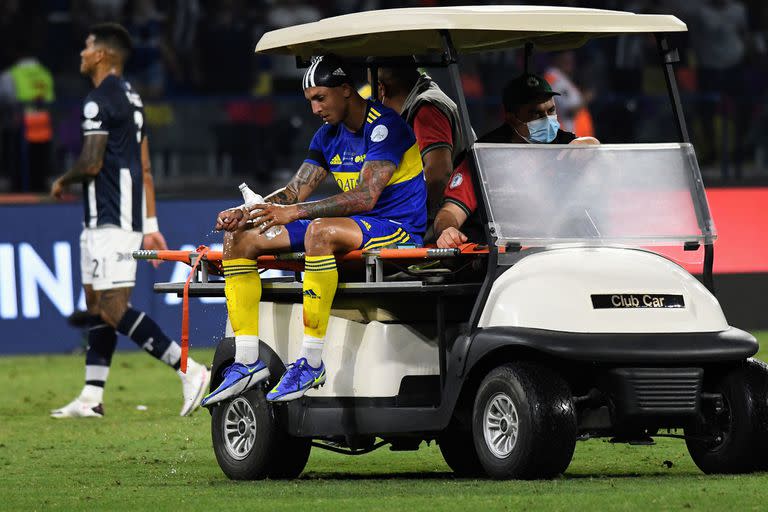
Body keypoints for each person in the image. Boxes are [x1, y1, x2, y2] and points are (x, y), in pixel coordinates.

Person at [203, 55, 426, 406]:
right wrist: (247, 212)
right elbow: (294, 192)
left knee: (318, 232)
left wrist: (293, 212)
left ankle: (311, 361)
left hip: (397, 227)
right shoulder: (327, 136)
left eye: (321, 98)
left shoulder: (385, 126)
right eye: (310, 101)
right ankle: (247, 361)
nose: (315, 108)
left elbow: (367, 196)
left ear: (346, 90)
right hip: (354, 228)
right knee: (240, 238)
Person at [49, 23, 210, 418]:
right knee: (97, 302)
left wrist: (61, 180)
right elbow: (145, 166)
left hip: (110, 216)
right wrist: (151, 224)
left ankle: (190, 369)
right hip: (111, 216)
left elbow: (91, 161)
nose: (83, 52)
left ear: (102, 54)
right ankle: (91, 397)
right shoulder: (133, 99)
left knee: (113, 308)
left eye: (88, 45)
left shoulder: (98, 101)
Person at [434, 73, 599, 249]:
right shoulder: (483, 156)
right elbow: (449, 212)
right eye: (536, 114)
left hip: (556, 253)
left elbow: (604, 163)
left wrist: (592, 145)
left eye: (551, 111)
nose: (547, 120)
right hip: (499, 260)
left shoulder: (565, 144)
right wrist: (448, 231)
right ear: (512, 118)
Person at [374, 60, 465, 222]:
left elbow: (438, 174)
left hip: (446, 222)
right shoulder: (427, 98)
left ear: (382, 89)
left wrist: (406, 218)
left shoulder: (426, 108)